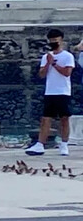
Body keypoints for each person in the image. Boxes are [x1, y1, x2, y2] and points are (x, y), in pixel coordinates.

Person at [26, 29, 76, 157]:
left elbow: (67, 73)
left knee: (64, 118)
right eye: (51, 41)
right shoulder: (46, 57)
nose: (53, 43)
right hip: (50, 91)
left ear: (61, 40)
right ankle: (40, 144)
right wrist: (48, 62)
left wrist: (54, 63)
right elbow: (42, 74)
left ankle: (64, 144)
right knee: (46, 119)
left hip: (63, 92)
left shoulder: (67, 56)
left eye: (56, 40)